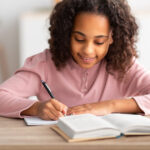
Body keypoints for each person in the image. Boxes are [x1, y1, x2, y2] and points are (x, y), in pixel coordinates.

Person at [0, 0, 150, 121]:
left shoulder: (123, 64)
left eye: (99, 42)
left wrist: (110, 106)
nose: (88, 50)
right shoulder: (44, 64)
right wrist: (36, 108)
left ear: (112, 37)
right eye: (79, 39)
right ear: (67, 34)